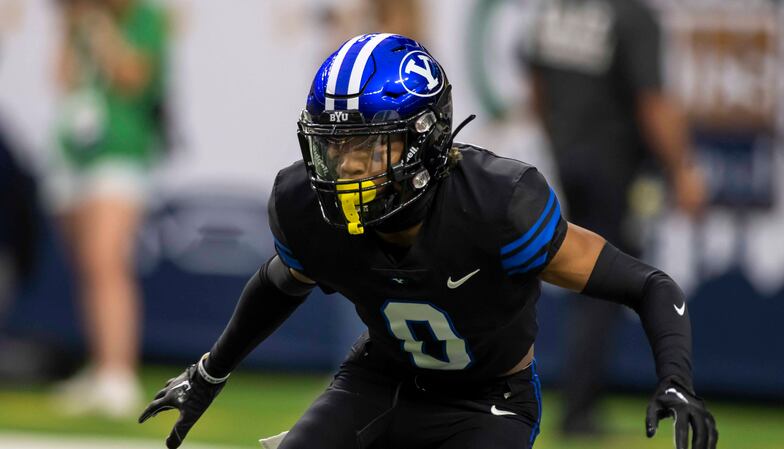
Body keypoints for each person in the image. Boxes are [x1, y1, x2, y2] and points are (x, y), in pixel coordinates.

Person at [138, 34, 717, 449]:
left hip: (488, 402)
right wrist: (209, 373)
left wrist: (676, 379)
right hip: (378, 380)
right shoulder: (306, 207)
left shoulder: (498, 206)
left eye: (367, 148)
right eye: (333, 148)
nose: (345, 168)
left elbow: (649, 284)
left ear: (425, 140)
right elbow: (279, 284)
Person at [518, 0, 706, 435]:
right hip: (614, 165)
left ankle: (574, 400)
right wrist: (683, 170)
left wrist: (561, 142)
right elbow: (652, 102)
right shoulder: (633, 16)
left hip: (571, 158)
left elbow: (537, 90)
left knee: (581, 275)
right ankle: (579, 409)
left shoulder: (557, 12)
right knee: (607, 280)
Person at [49, 0, 168, 418]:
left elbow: (134, 78)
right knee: (87, 266)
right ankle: (101, 364)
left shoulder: (146, 18)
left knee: (106, 260)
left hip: (120, 152)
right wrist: (72, 27)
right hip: (75, 155)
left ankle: (119, 374)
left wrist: (102, 33)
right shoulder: (78, 18)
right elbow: (62, 78)